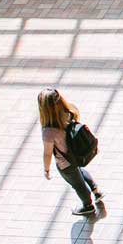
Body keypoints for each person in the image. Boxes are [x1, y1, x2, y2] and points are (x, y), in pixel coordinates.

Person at [38, 88, 103, 218]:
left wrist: (46, 169)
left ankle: (87, 206)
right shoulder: (69, 112)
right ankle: (96, 191)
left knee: (77, 185)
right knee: (80, 172)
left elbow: (47, 153)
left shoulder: (48, 132)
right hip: (76, 153)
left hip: (65, 163)